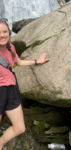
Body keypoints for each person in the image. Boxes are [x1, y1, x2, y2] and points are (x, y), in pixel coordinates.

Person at [0, 18, 49, 150]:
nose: (2, 35)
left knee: (20, 127)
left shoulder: (11, 48)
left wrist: (36, 61)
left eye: (5, 31)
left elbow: (19, 62)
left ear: (9, 33)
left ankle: (1, 143)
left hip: (12, 90)